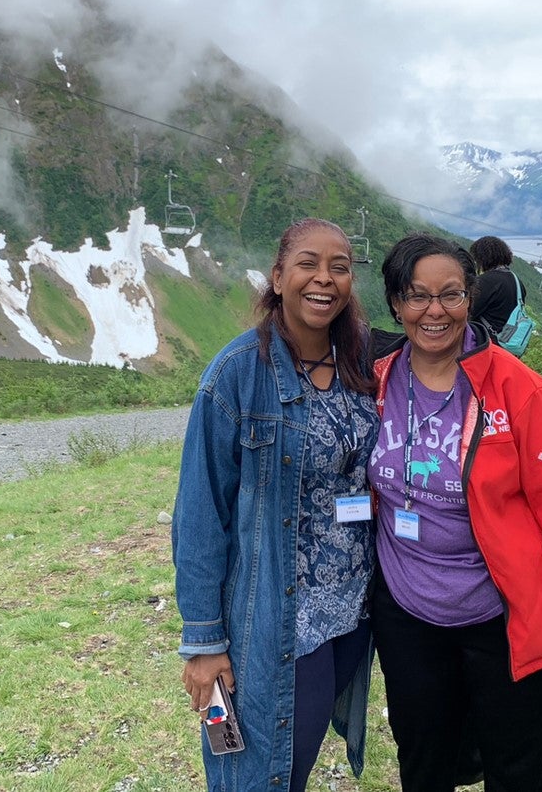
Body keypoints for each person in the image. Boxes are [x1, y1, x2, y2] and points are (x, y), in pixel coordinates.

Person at [369, 233, 542, 792]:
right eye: (417, 296)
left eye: (451, 295)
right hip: (409, 618)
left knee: (517, 771)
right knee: (424, 762)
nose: (434, 311)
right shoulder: (378, 379)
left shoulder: (520, 391)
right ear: (394, 303)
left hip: (507, 619)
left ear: (470, 298)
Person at [171, 218, 380, 792]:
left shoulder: (364, 359)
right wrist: (205, 644)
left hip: (349, 616)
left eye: (340, 266)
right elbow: (198, 516)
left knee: (295, 762)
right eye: (309, 263)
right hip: (273, 623)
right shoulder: (236, 375)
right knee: (254, 775)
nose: (325, 279)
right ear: (279, 275)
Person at [468, 235, 527, 335]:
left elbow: (469, 312)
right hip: (508, 340)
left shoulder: (485, 281)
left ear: (482, 257)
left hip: (488, 340)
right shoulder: (516, 280)